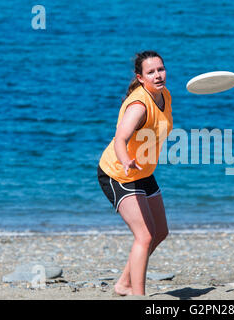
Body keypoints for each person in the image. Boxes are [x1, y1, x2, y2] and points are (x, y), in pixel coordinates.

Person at [97, 51, 173, 296]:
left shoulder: (165, 95)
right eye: (151, 72)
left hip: (143, 171)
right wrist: (126, 159)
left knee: (160, 232)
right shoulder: (139, 105)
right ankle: (139, 295)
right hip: (119, 173)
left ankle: (123, 284)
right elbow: (120, 138)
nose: (158, 75)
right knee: (145, 236)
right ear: (140, 78)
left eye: (160, 69)